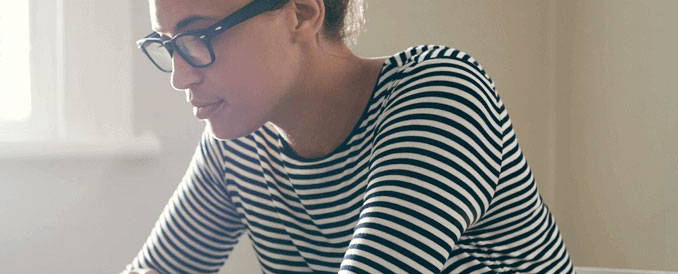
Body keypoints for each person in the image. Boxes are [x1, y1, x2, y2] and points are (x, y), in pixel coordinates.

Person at [121, 0, 574, 273]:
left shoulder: (439, 94)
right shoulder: (236, 147)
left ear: (302, 13)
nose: (180, 77)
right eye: (168, 45)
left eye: (198, 36)